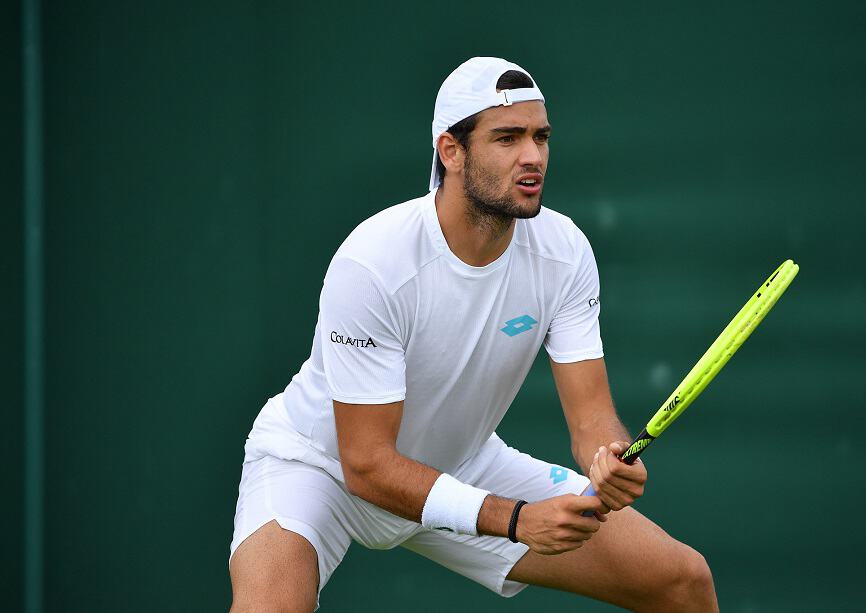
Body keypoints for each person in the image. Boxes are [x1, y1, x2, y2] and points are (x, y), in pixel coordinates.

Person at [228, 56, 719, 613]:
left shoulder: (565, 251)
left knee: (683, 582)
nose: (532, 156)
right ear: (452, 152)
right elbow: (365, 463)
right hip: (321, 468)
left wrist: (606, 458)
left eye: (540, 137)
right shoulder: (374, 263)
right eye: (507, 138)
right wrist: (513, 519)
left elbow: (591, 421)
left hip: (461, 463)